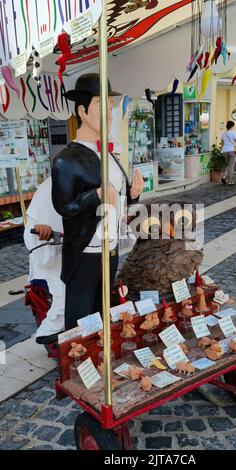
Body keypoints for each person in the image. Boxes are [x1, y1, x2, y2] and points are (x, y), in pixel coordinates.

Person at [51, 73, 144, 331]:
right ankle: (78, 365)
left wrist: (133, 193)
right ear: (82, 111)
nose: (110, 114)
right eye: (101, 106)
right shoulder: (66, 160)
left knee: (102, 313)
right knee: (80, 321)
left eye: (111, 108)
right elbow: (65, 206)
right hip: (85, 254)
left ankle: (99, 359)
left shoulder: (110, 157)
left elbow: (119, 204)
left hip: (110, 250)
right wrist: (97, 196)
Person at [23, 177, 65, 343]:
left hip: (76, 254)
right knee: (63, 294)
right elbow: (30, 233)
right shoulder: (46, 195)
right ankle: (48, 330)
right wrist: (40, 229)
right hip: (51, 261)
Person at [221, 121, 236, 185]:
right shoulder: (234, 133)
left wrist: (221, 151)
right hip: (232, 151)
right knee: (231, 166)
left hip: (224, 151)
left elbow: (222, 144)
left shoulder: (223, 134)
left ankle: (224, 176)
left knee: (228, 165)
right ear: (232, 126)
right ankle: (230, 181)